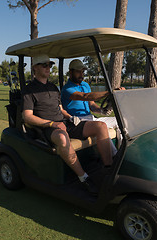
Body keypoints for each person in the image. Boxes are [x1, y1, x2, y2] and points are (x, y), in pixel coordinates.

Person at [22, 55, 113, 195]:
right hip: (47, 127)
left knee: (100, 126)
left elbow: (60, 109)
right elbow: (27, 116)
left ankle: (108, 169)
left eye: (49, 65)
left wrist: (71, 117)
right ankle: (84, 178)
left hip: (64, 123)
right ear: (35, 67)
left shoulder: (53, 87)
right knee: (63, 138)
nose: (48, 68)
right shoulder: (30, 90)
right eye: (44, 65)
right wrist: (52, 123)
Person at [61, 59, 124, 155]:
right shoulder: (67, 89)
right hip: (78, 121)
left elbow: (92, 105)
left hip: (90, 118)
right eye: (78, 72)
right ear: (70, 72)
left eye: (83, 72)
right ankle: (115, 157)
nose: (81, 74)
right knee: (102, 128)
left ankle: (123, 151)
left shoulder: (85, 85)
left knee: (120, 120)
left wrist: (102, 110)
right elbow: (84, 96)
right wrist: (110, 92)